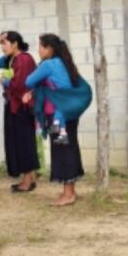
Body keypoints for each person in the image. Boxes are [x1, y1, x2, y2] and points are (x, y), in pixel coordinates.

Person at [24, 34, 92, 207]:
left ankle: (68, 194)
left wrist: (35, 85)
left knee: (63, 152)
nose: (38, 50)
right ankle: (70, 190)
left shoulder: (49, 64)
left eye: (41, 46)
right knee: (69, 149)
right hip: (68, 116)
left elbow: (29, 81)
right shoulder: (64, 63)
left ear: (49, 49)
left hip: (58, 118)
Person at [0, 32, 40, 193]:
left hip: (22, 107)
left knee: (24, 142)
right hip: (12, 106)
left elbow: (19, 84)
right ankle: (29, 178)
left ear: (15, 43)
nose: (3, 47)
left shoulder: (24, 59)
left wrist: (5, 81)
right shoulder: (10, 59)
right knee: (18, 142)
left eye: (5, 43)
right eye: (2, 44)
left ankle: (27, 181)